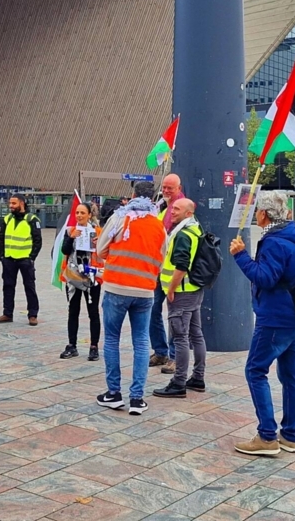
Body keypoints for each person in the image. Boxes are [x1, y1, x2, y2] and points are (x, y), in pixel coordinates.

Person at [229, 190, 295, 456]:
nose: (255, 215)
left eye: (256, 211)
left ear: (263, 214)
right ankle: (290, 434)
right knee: (290, 375)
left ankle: (267, 436)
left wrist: (241, 255)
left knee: (255, 370)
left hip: (276, 316)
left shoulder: (275, 242)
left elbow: (265, 278)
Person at [95, 181, 166, 416]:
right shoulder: (159, 226)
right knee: (142, 341)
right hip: (145, 290)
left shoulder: (120, 218)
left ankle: (113, 394)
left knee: (112, 339)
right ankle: (137, 398)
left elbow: (100, 250)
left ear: (133, 195)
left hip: (116, 287)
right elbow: (161, 258)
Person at [152, 198, 207, 398]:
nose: (172, 211)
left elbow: (182, 265)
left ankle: (179, 382)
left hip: (182, 291)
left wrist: (171, 288)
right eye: (172, 208)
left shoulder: (183, 234)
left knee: (180, 337)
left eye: (177, 209)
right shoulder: (195, 229)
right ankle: (198, 377)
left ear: (188, 213)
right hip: (194, 290)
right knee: (196, 334)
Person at [59, 202, 102, 361]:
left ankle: (94, 347)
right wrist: (70, 238)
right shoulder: (70, 230)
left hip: (92, 279)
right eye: (77, 213)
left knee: (93, 313)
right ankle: (72, 345)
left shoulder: (97, 231)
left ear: (89, 215)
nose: (79, 216)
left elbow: (105, 253)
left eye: (83, 213)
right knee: (73, 311)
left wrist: (99, 243)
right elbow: (64, 250)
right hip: (73, 277)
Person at [149, 173, 183, 374]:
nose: (166, 190)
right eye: (164, 187)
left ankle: (174, 356)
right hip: (158, 271)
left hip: (172, 275)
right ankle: (160, 350)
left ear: (179, 188)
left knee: (174, 315)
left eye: (170, 187)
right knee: (152, 310)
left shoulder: (181, 208)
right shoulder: (163, 207)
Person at [0, 194, 42, 325]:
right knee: (8, 286)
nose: (11, 206)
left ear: (21, 203)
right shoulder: (7, 219)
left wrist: (31, 257)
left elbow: (38, 241)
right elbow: (1, 238)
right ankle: (7, 313)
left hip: (25, 259)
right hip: (9, 259)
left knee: (29, 286)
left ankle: (33, 315)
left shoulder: (32, 219)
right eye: (10, 203)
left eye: (13, 203)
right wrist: (2, 256)